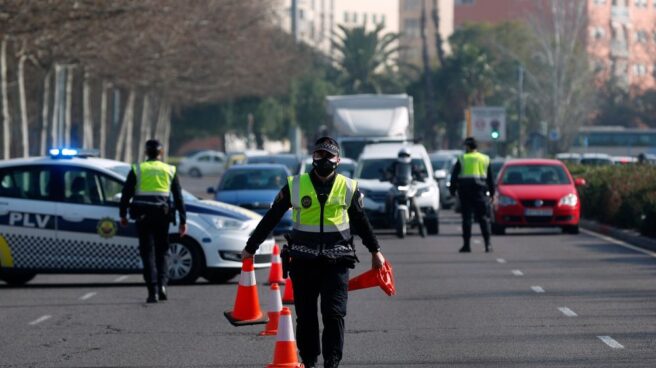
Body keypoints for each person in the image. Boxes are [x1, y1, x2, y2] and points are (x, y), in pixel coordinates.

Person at [242, 137, 385, 368]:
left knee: (334, 314)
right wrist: (251, 247)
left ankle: (332, 361)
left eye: (329, 156)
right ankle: (309, 361)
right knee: (306, 317)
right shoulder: (295, 185)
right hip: (303, 260)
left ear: (338, 159)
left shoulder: (348, 187)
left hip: (337, 260)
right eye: (319, 155)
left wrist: (375, 251)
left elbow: (361, 221)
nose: (324, 160)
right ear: (313, 157)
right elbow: (272, 217)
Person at [119, 140, 187, 303]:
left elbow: (126, 193)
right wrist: (182, 221)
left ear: (146, 153)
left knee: (147, 253)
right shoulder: (169, 170)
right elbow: (178, 198)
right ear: (161, 153)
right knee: (162, 252)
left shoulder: (138, 169)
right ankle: (163, 286)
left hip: (143, 217)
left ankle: (153, 291)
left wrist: (123, 214)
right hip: (162, 216)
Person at [449, 137, 495, 253]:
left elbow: (454, 176)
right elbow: (490, 178)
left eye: (465, 146)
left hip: (465, 192)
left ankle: (466, 245)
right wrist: (492, 193)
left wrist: (452, 190)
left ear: (468, 147)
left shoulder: (463, 158)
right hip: (480, 192)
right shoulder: (484, 159)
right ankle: (488, 245)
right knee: (483, 219)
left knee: (467, 219)